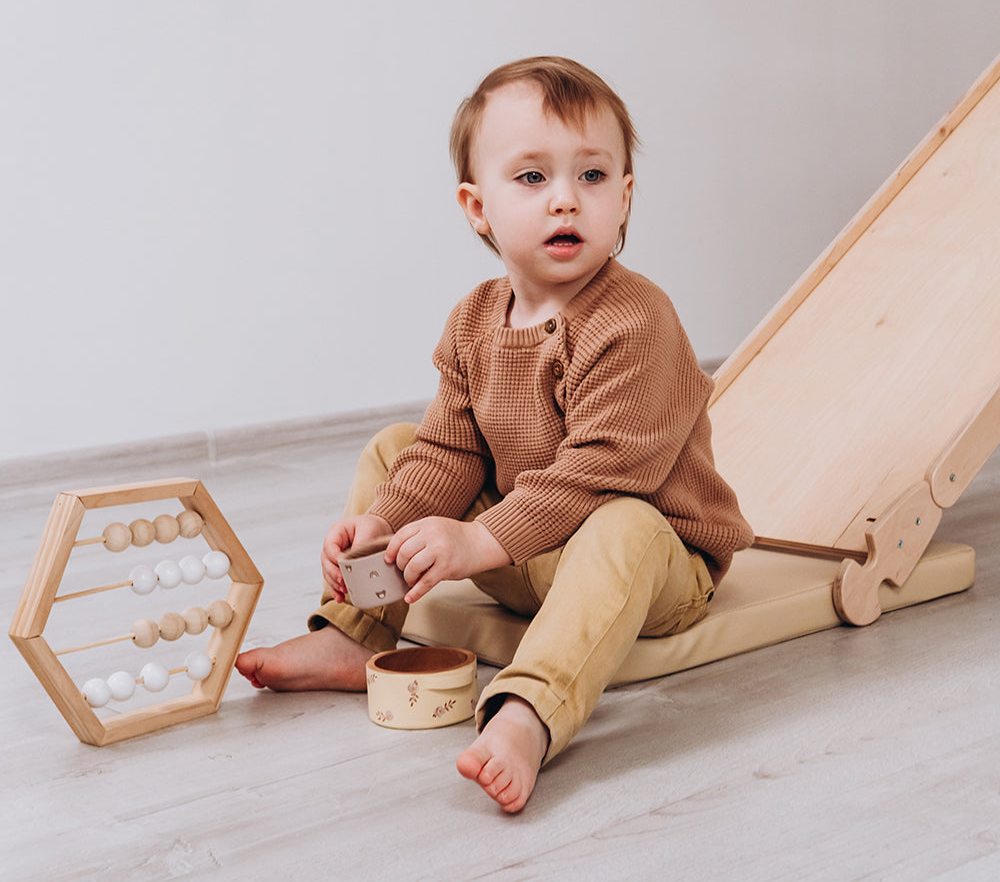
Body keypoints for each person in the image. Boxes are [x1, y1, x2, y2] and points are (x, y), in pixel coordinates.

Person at [236, 56, 754, 813]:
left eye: (594, 176)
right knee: (395, 448)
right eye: (533, 178)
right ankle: (356, 629)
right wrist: (382, 523)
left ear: (626, 198)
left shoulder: (636, 320)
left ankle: (530, 713)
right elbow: (449, 451)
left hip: (646, 567)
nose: (566, 201)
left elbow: (600, 476)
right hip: (528, 550)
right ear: (477, 207)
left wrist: (474, 545)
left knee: (626, 523)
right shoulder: (475, 319)